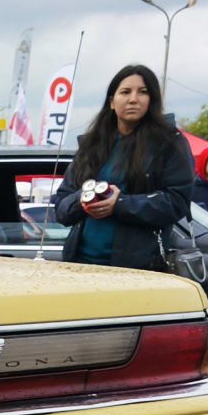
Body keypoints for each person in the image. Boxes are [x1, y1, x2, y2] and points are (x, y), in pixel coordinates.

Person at [52, 64, 192, 271]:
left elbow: (177, 202)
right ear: (112, 102)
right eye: (125, 92)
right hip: (80, 265)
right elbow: (61, 208)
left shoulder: (170, 143)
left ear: (152, 100)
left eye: (143, 92)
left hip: (136, 270)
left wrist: (120, 203)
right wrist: (83, 198)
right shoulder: (91, 145)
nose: (133, 99)